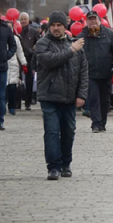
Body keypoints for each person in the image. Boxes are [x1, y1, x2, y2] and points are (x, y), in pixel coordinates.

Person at [34, 11, 88, 180]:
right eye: (53, 25)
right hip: (49, 97)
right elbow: (49, 61)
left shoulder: (75, 46)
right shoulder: (43, 43)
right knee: (51, 132)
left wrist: (81, 95)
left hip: (70, 98)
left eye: (59, 25)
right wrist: (71, 50)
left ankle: (66, 164)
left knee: (68, 131)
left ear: (65, 27)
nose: (56, 28)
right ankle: (53, 167)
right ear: (49, 27)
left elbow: (83, 71)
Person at [76, 10, 113, 133]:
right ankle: (96, 124)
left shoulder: (109, 34)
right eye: (90, 19)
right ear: (86, 21)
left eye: (94, 19)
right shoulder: (81, 36)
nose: (93, 21)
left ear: (99, 20)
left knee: (105, 100)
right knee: (93, 98)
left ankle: (102, 123)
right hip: (89, 74)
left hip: (106, 72)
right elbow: (75, 55)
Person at [0, 6, 16, 130]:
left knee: (0, 96)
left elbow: (13, 45)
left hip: (1, 67)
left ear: (0, 15)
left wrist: (7, 55)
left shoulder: (6, 29)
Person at [18, 12, 40, 111]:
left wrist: (33, 49)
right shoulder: (16, 31)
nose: (23, 21)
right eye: (21, 19)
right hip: (18, 58)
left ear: (28, 20)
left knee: (29, 81)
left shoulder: (34, 31)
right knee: (16, 80)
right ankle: (16, 101)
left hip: (29, 58)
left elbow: (39, 42)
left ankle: (28, 102)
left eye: (25, 19)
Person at [5, 21, 27, 115]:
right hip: (2, 65)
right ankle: (1, 106)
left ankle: (12, 106)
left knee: (13, 89)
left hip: (13, 65)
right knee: (2, 89)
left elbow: (20, 52)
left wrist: (24, 63)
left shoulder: (15, 39)